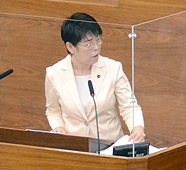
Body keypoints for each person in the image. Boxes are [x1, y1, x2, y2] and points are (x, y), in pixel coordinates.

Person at [45, 13, 145, 143]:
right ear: (70, 47)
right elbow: (53, 111)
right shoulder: (55, 73)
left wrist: (137, 129)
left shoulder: (113, 68)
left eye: (98, 40)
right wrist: (59, 128)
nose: (96, 47)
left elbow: (129, 106)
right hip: (75, 145)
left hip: (109, 144)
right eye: (88, 44)